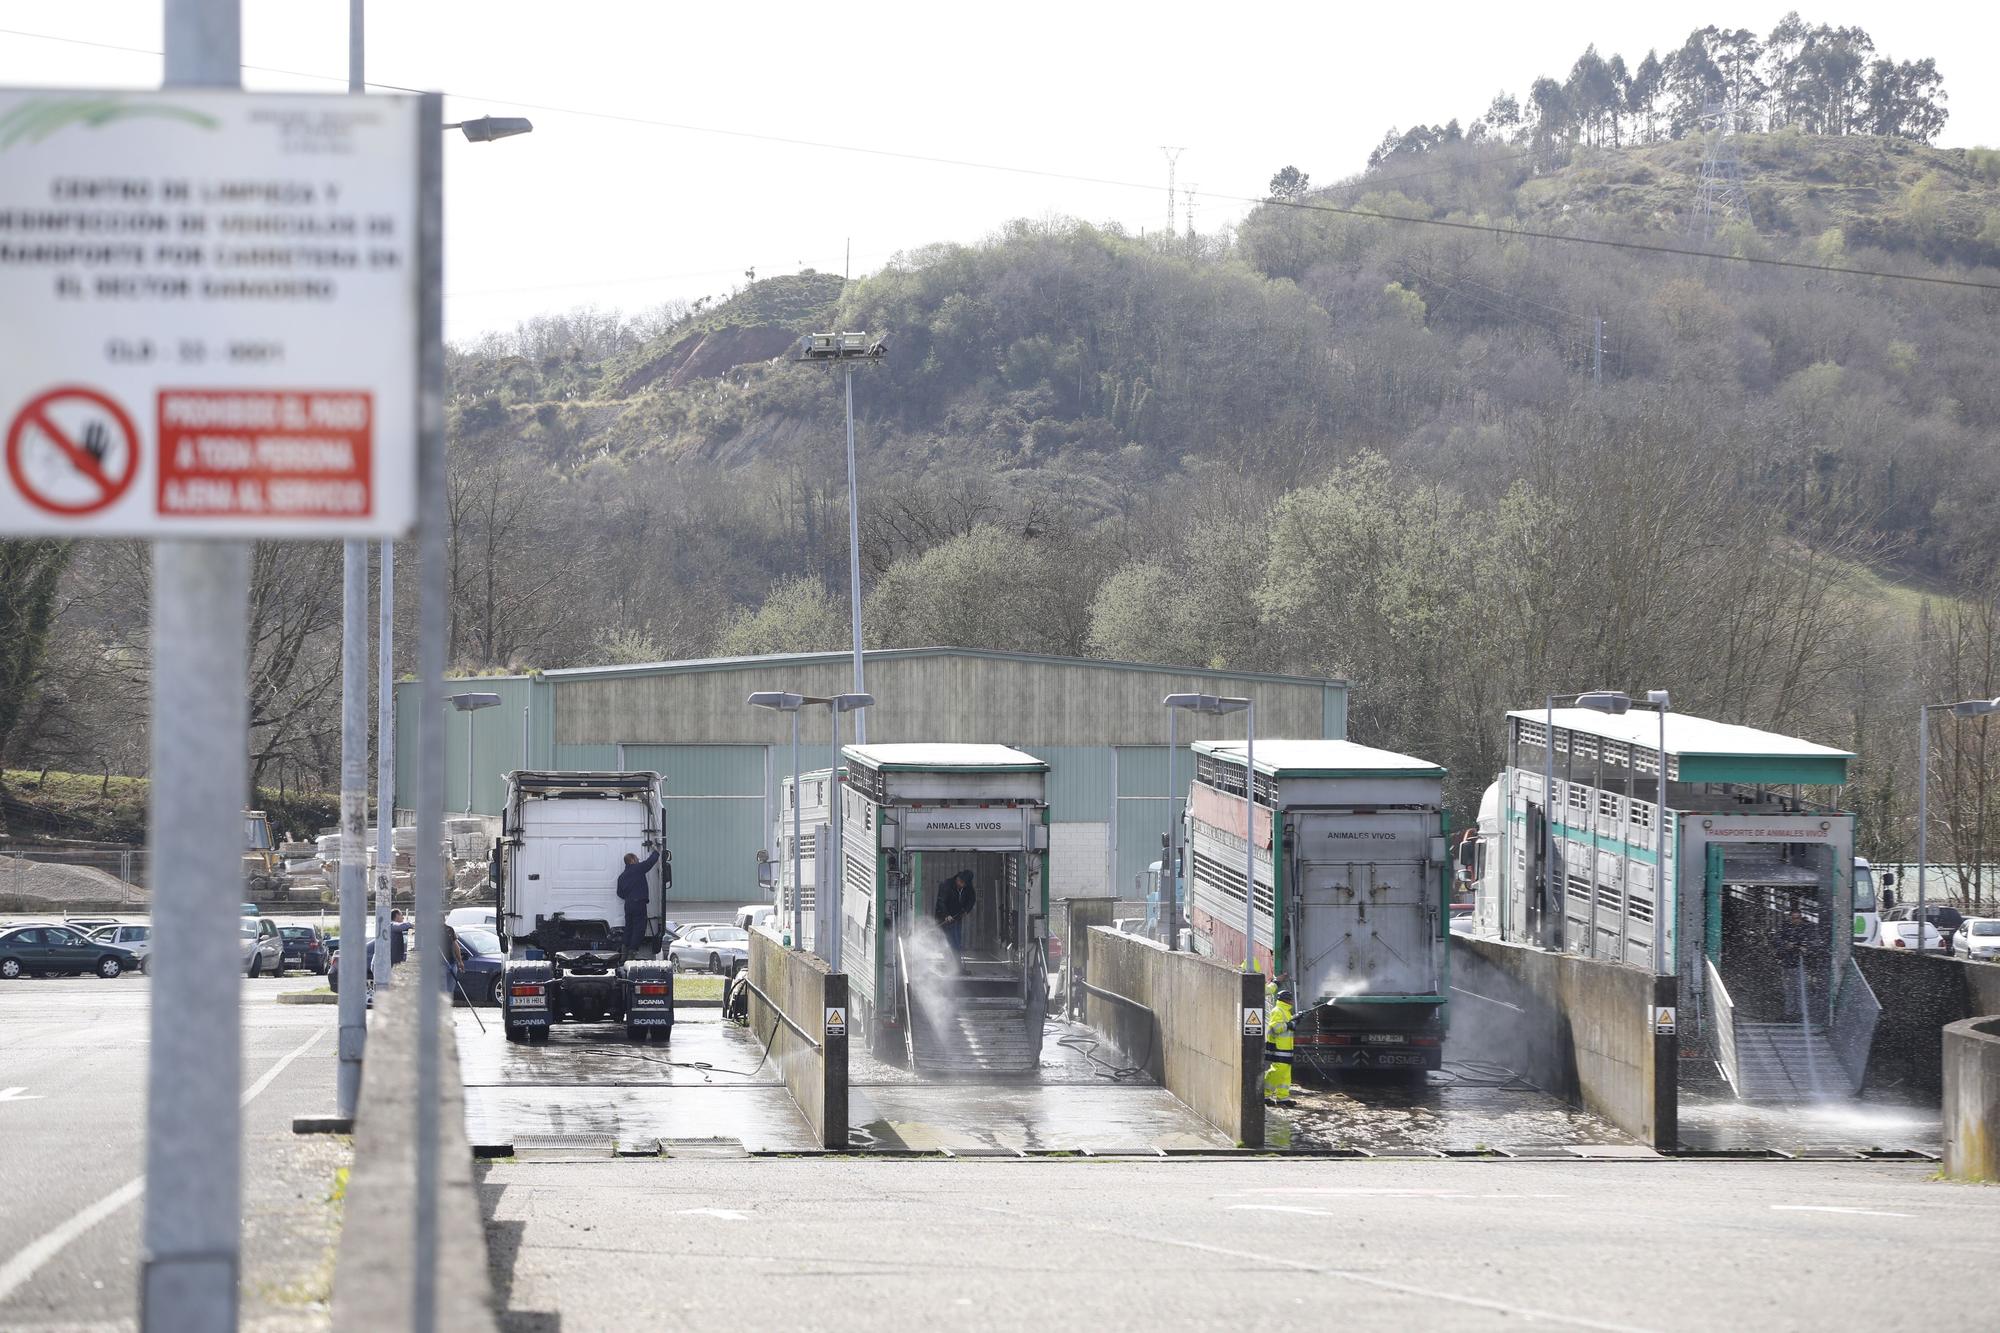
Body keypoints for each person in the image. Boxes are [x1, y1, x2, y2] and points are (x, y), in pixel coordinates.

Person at [617, 845, 661, 954]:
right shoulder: (637, 869)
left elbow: (619, 893)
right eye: (637, 858)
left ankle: (624, 948)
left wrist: (628, 897)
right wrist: (656, 851)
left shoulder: (622, 876)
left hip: (628, 904)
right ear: (632, 860)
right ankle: (632, 950)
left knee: (629, 926)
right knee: (639, 927)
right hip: (639, 903)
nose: (638, 860)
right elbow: (649, 863)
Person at [1264, 986, 1295, 1104]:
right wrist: (1289, 1025)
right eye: (1290, 999)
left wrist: (1293, 1021)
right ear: (1286, 1000)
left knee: (1285, 1073)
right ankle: (1264, 1094)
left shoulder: (1286, 1011)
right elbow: (1276, 1028)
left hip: (1286, 1047)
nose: (1292, 1001)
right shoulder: (1277, 1010)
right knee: (1277, 1071)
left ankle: (1283, 1097)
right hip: (1278, 1047)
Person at [935, 869, 976, 955]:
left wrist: (966, 910)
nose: (962, 885)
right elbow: (941, 901)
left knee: (956, 941)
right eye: (961, 882)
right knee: (948, 941)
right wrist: (946, 915)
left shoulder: (967, 886)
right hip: (944, 917)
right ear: (958, 879)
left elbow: (972, 899)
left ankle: (957, 965)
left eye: (964, 884)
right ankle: (951, 963)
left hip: (957, 917)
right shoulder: (946, 885)